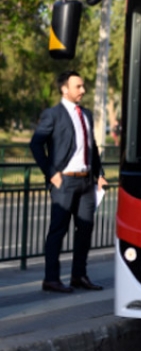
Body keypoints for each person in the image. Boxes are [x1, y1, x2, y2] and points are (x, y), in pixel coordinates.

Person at [30, 71, 108, 293]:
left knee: (85, 229)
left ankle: (79, 276)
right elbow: (36, 145)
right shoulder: (52, 114)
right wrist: (51, 173)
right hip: (64, 182)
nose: (83, 90)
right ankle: (51, 279)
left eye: (83, 86)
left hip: (86, 183)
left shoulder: (87, 114)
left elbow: (91, 147)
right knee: (58, 230)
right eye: (78, 86)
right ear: (65, 89)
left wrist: (99, 174)